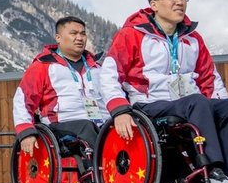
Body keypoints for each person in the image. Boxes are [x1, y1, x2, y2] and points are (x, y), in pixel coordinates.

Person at [104, 0, 228, 183]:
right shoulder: (132, 34)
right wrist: (119, 110)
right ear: (154, 4)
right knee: (197, 101)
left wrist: (220, 107)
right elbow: (109, 73)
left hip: (190, 103)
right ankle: (214, 174)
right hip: (149, 104)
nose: (179, 2)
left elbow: (210, 78)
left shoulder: (193, 38)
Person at [13, 15, 136, 162]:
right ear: (58, 38)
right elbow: (22, 100)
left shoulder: (98, 66)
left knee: (129, 125)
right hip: (61, 124)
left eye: (83, 34)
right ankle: (105, 172)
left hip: (101, 122)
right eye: (74, 33)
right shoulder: (42, 66)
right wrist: (26, 132)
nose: (80, 38)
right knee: (87, 127)